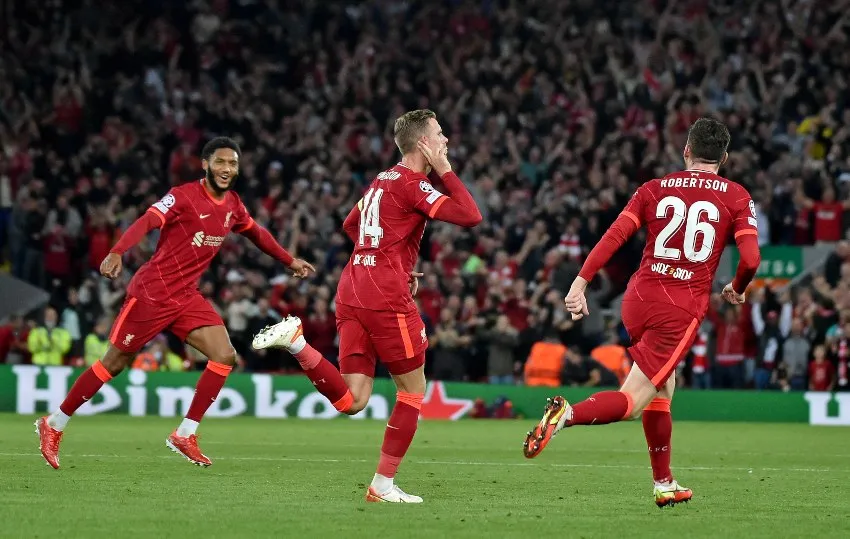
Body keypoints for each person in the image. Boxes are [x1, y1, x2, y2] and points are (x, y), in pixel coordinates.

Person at [35, 137, 315, 470]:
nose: (227, 169)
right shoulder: (182, 196)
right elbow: (146, 221)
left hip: (185, 296)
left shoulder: (234, 205)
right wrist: (117, 251)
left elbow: (257, 234)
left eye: (233, 163)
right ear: (205, 164)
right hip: (152, 292)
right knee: (113, 363)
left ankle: (185, 433)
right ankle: (54, 423)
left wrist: (288, 260)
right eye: (221, 162)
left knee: (224, 355)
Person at [523, 118, 762, 508]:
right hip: (679, 306)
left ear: (686, 150)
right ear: (726, 158)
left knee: (662, 388)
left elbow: (615, 235)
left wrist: (580, 282)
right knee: (633, 400)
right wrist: (737, 287)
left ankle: (664, 482)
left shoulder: (653, 188)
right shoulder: (736, 196)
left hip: (637, 298)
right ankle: (566, 414)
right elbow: (751, 258)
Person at [252, 109, 482, 503]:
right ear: (423, 143)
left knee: (353, 400)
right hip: (383, 294)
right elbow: (470, 215)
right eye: (440, 135)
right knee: (412, 392)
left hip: (352, 285)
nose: (446, 142)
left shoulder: (381, 180)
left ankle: (296, 344)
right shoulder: (412, 183)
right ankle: (382, 485)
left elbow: (349, 224)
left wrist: (391, 259)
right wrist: (445, 171)